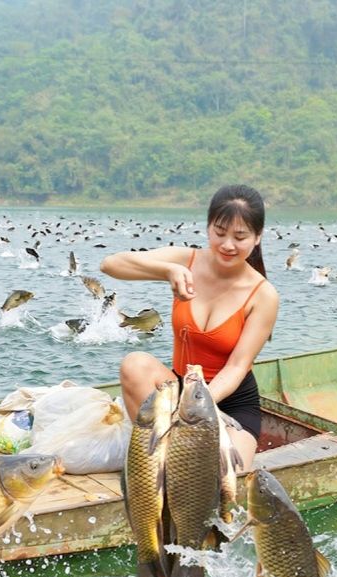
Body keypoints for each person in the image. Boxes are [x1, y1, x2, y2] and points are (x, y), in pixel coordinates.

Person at [100, 184, 279, 471]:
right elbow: (110, 265)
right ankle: (155, 461)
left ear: (257, 238)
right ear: (208, 228)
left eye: (240, 236)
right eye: (219, 233)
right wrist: (166, 269)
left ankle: (173, 451)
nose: (228, 245)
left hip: (229, 404)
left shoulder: (263, 294)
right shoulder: (187, 260)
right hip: (179, 386)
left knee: (224, 474)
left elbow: (237, 367)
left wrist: (195, 406)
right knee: (134, 364)